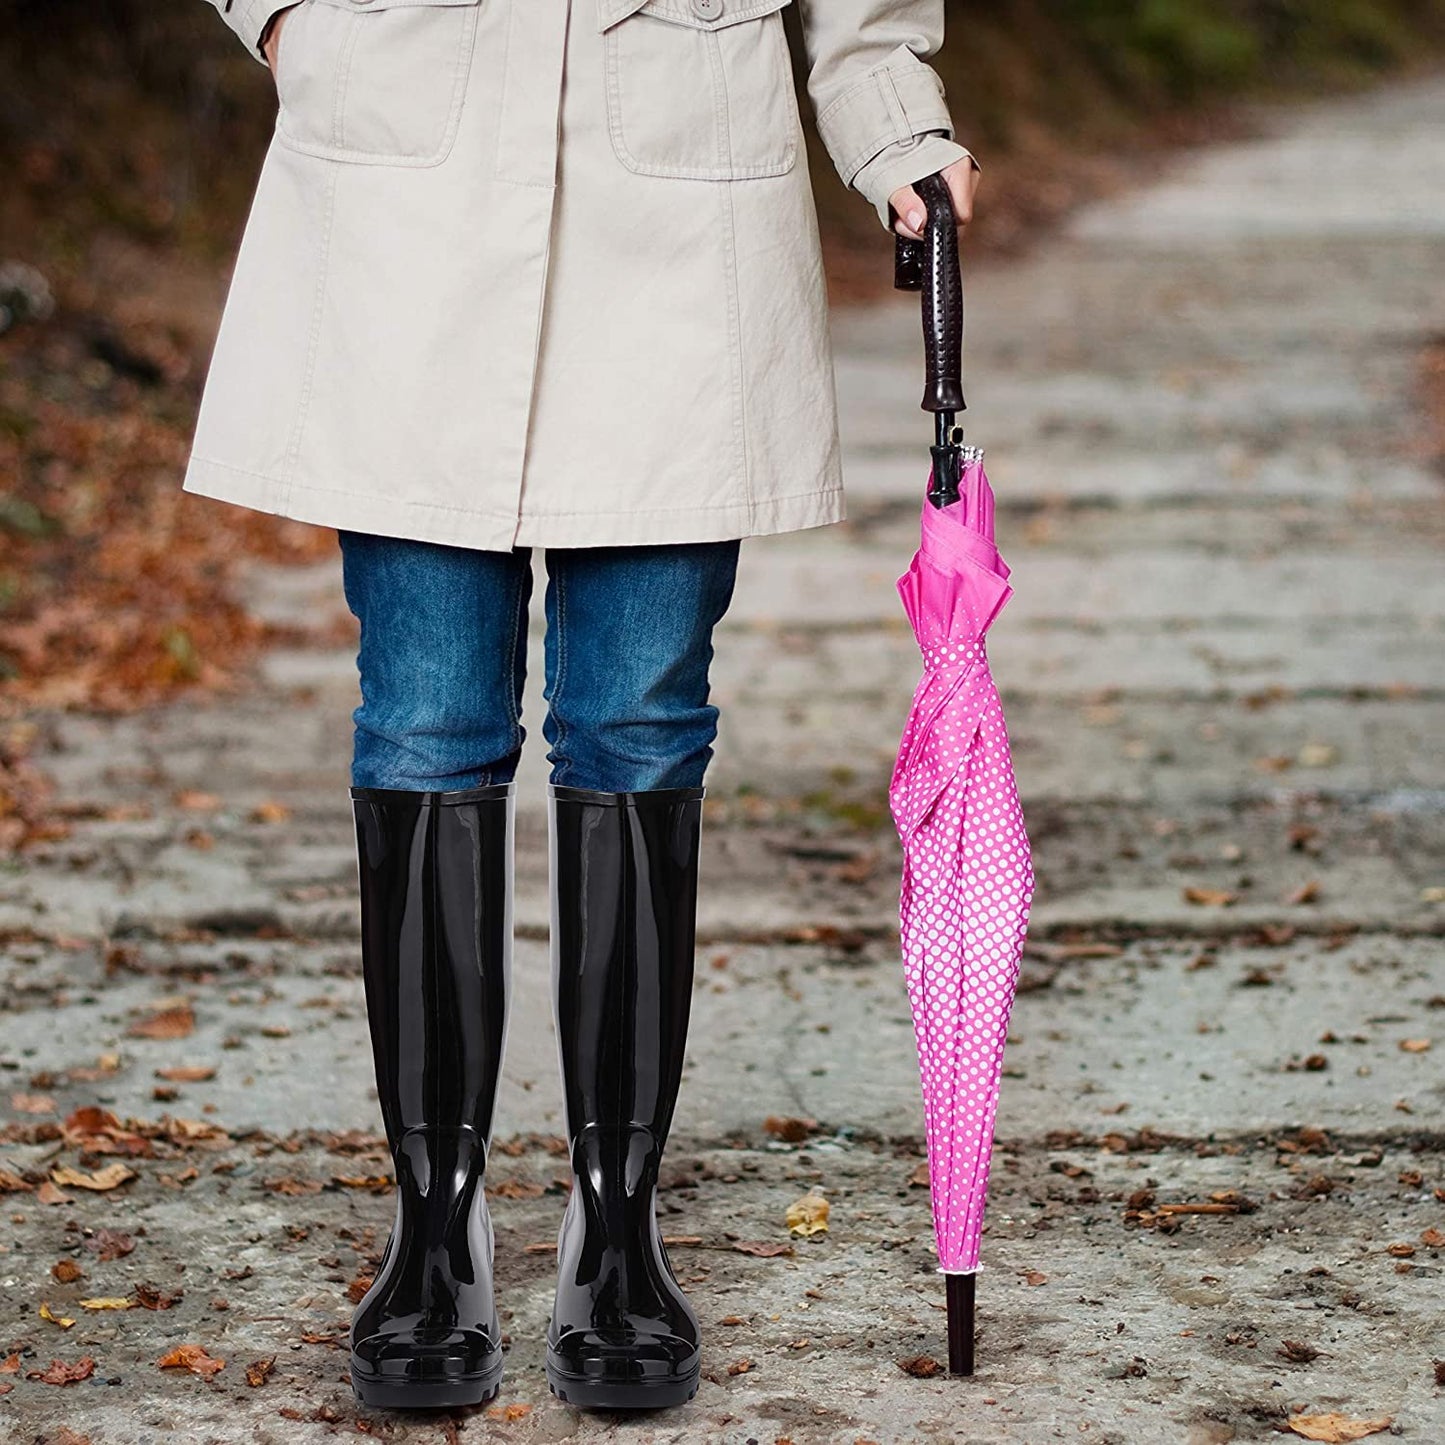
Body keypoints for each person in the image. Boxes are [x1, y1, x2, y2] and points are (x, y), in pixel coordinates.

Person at [193, 0, 978, 1413]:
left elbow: (864, 26)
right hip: (404, 195)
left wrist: (894, 127)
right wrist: (290, 22)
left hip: (679, 211)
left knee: (641, 724)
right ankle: (435, 1222)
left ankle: (614, 1222)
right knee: (425, 724)